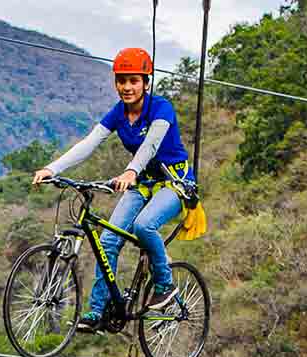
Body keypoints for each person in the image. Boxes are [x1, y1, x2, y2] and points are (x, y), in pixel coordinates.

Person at [33, 47, 195, 333]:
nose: (127, 87)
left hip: (174, 182)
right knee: (108, 240)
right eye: (121, 81)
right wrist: (52, 169)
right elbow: (89, 143)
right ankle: (98, 310)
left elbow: (152, 145)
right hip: (143, 183)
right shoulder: (119, 113)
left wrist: (131, 170)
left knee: (145, 226)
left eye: (133, 80)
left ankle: (165, 286)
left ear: (146, 82)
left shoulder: (161, 108)